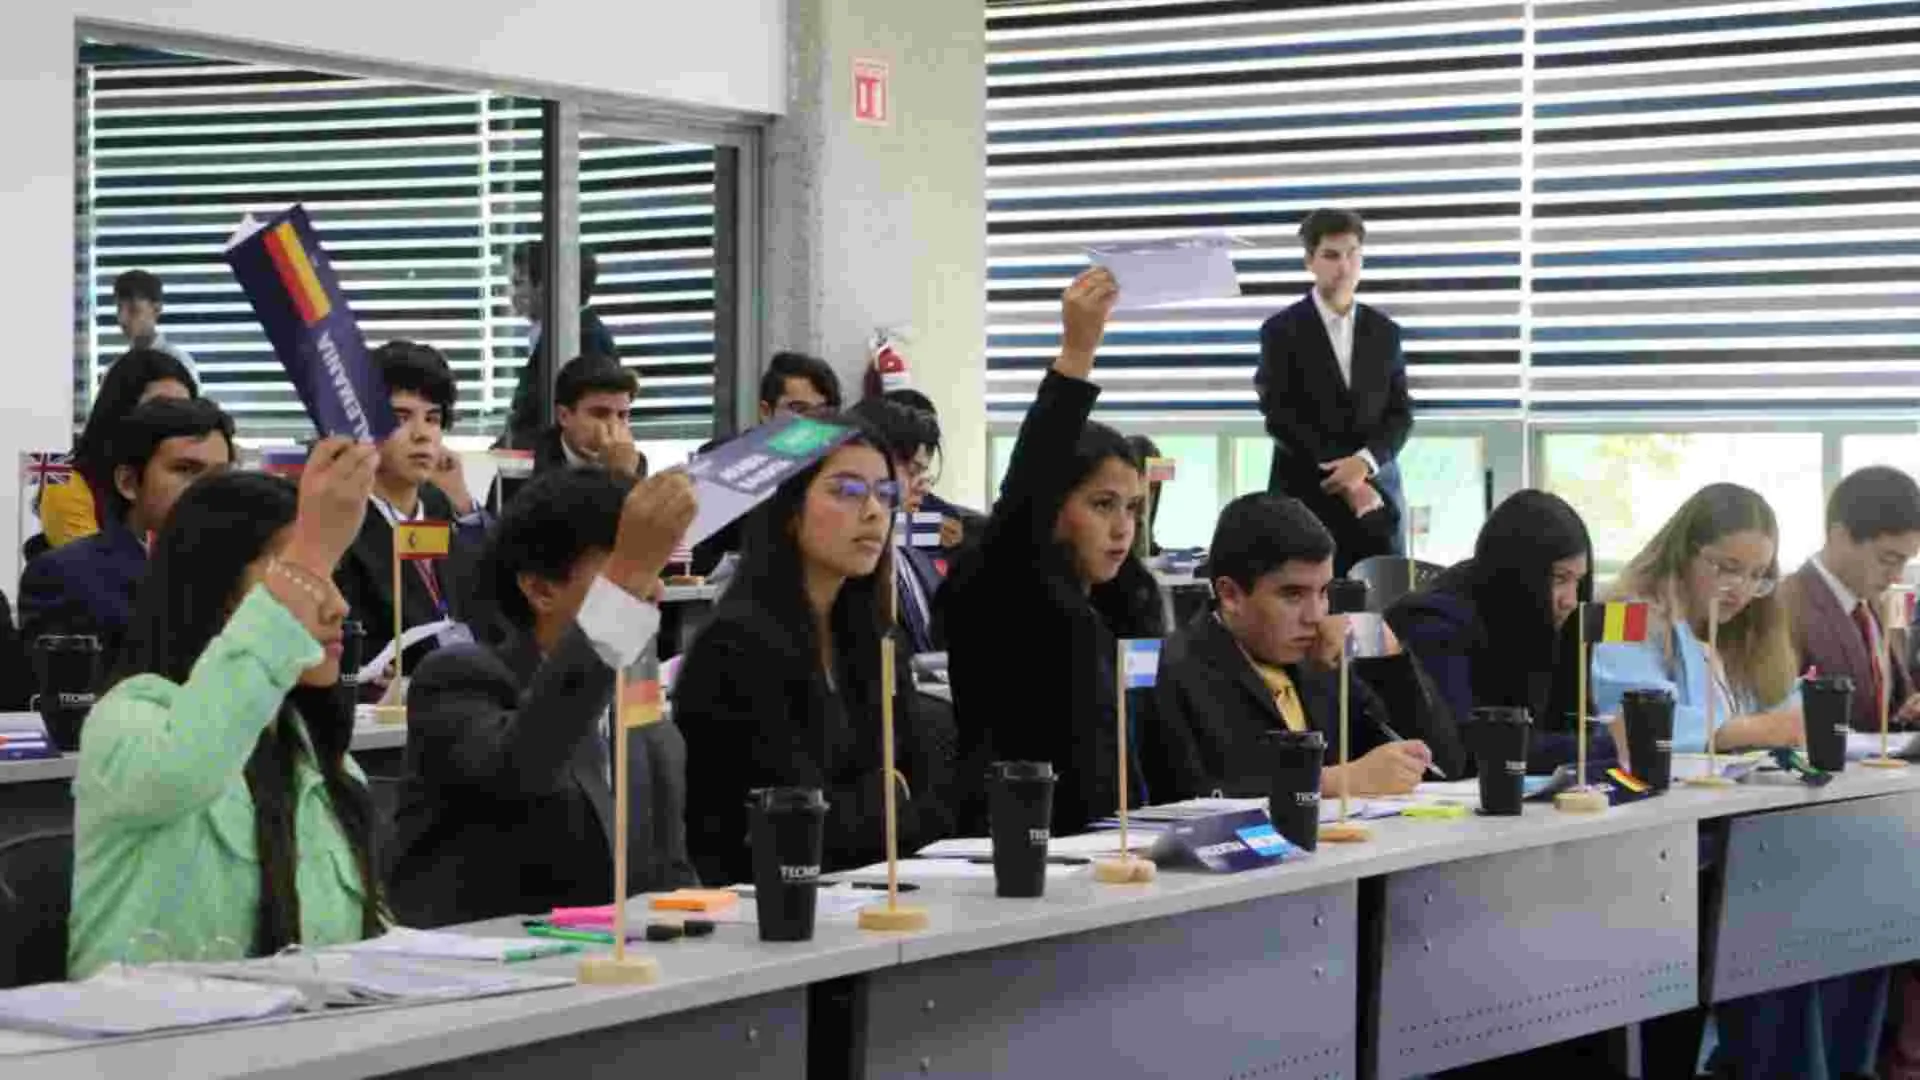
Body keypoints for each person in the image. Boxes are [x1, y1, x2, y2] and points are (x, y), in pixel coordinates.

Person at [69, 440, 385, 977]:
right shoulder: (129, 722)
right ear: (218, 589)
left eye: (333, 576)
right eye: (304, 576)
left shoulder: (323, 760)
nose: (336, 605)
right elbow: (190, 762)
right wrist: (309, 550)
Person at [389, 468, 700, 927]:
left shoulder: (637, 704)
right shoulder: (460, 680)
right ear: (539, 588)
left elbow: (669, 877)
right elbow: (528, 766)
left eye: (652, 570)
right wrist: (624, 588)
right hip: (489, 976)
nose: (651, 591)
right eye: (621, 569)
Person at [673, 415, 954, 884]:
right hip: (762, 909)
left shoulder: (879, 638)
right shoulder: (735, 647)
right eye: (846, 491)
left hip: (872, 897)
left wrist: (886, 799)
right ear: (789, 507)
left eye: (885, 495)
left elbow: (933, 805)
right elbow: (792, 823)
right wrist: (886, 796)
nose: (874, 512)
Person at [940, 268, 1167, 834]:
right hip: (1017, 846)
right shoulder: (1009, 581)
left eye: (1133, 508)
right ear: (1055, 508)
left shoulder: (1125, 602)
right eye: (1102, 504)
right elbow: (1028, 484)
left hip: (1114, 845)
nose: (1122, 528)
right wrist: (1077, 352)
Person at [1148, 493, 1458, 801]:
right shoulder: (1173, 670)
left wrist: (1388, 655)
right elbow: (1186, 793)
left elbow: (1443, 766)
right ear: (1231, 595)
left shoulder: (1323, 658)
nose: (1315, 616)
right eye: (1292, 595)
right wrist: (1331, 781)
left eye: (1323, 592)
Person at [1387, 490, 1618, 773]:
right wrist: (1606, 746)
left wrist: (1598, 741)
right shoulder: (1433, 622)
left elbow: (1569, 720)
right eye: (1559, 578)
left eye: (1578, 581)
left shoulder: (1558, 614)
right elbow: (1471, 748)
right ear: (1519, 574)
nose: (1570, 599)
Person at [21, 399, 235, 668]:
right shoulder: (64, 576)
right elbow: (68, 700)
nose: (208, 489)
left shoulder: (248, 572)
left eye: (220, 475)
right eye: (186, 470)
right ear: (129, 483)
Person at [1592, 483, 1802, 754]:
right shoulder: (1621, 611)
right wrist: (1749, 730)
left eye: (1757, 575)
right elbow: (1632, 721)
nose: (1741, 589)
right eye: (1728, 568)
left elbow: (1781, 709)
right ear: (1684, 554)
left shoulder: (1741, 628)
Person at [1257, 208, 1411, 574]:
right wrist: (1345, 481)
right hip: (1306, 500)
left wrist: (1364, 465)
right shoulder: (1280, 331)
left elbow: (1400, 413)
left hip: (1378, 498)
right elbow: (1280, 417)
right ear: (1310, 260)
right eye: (1331, 255)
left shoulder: (1385, 331)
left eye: (1353, 253)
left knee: (1377, 617)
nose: (1344, 266)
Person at [333, 342, 490, 679]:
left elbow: (493, 602)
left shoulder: (443, 507)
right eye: (401, 418)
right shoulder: (340, 520)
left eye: (432, 419)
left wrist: (463, 504)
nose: (421, 435)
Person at [1780, 465, 1920, 733]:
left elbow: (1894, 699)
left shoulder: (1885, 601)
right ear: (1839, 537)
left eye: (1905, 561)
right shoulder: (1784, 606)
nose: (1897, 576)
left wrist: (1910, 709)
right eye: (1888, 559)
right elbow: (1775, 715)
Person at [688, 351, 845, 576]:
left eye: (821, 411)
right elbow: (694, 559)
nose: (810, 421)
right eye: (798, 409)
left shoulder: (836, 466)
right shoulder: (726, 461)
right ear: (766, 412)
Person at [42, 348, 196, 549]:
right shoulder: (68, 484)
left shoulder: (192, 482)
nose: (173, 422)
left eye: (184, 411)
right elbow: (91, 573)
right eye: (160, 408)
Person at [847, 396, 946, 654]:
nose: (922, 484)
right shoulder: (845, 568)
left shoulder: (915, 557)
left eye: (924, 473)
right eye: (913, 470)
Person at [492, 353, 646, 510]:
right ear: (564, 416)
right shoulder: (521, 459)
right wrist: (611, 479)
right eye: (600, 414)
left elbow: (636, 529)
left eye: (622, 415)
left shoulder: (630, 462)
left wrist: (621, 477)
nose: (613, 426)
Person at [503, 244, 618, 447]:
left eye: (518, 283)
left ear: (546, 287)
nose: (511, 293)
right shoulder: (559, 333)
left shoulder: (583, 339)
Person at [882, 387, 985, 552]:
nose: (923, 486)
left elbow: (954, 534)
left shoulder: (941, 514)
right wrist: (920, 530)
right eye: (911, 470)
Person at [111, 269, 198, 382]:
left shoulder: (178, 363)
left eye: (133, 310)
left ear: (156, 309)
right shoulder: (117, 368)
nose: (122, 318)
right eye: (119, 308)